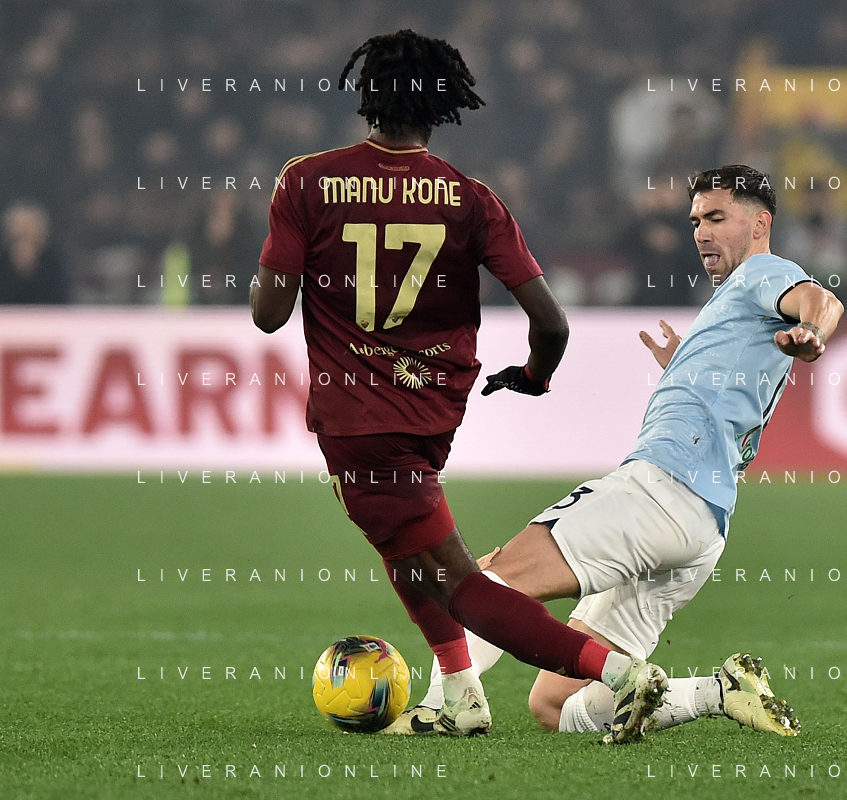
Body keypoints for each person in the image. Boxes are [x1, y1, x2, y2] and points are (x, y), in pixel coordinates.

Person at [249, 30, 669, 744]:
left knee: (460, 583)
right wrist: (534, 376)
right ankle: (461, 694)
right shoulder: (470, 198)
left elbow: (269, 314)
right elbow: (551, 321)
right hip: (433, 411)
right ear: (441, 106)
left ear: (366, 96)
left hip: (359, 417)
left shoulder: (307, 181)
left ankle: (621, 675)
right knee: (406, 553)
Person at [397, 164, 844, 739]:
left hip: (660, 492)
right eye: (695, 221)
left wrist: (813, 332)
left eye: (716, 218)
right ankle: (719, 691)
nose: (701, 233)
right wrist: (685, 366)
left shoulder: (764, 272)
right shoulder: (737, 302)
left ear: (760, 224)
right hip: (703, 529)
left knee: (489, 579)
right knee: (556, 704)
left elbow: (820, 301)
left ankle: (445, 708)